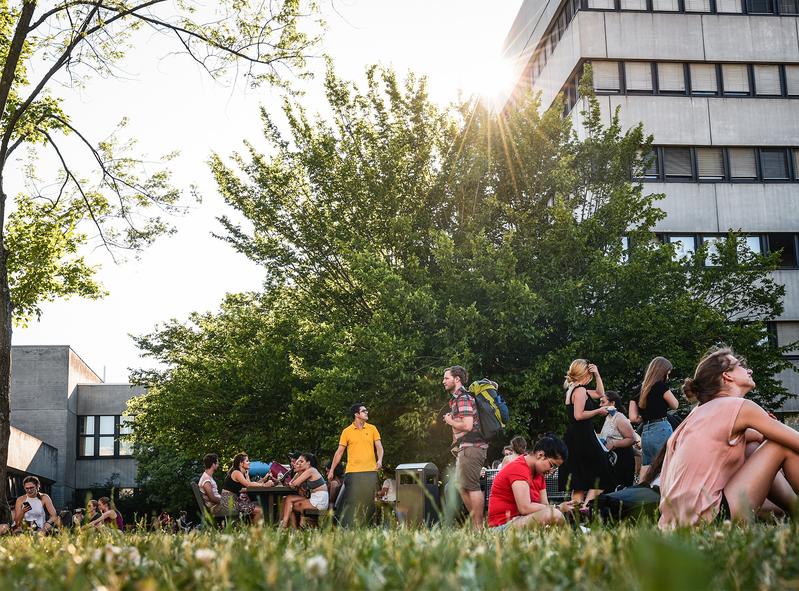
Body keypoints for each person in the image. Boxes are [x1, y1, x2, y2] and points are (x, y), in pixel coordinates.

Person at [660, 346, 799, 526]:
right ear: (727, 376)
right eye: (740, 365)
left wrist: (761, 433)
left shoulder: (699, 415)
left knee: (750, 449)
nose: (749, 370)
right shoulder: (738, 406)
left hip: (680, 522)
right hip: (711, 519)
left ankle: (793, 510)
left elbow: (751, 438)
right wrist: (770, 431)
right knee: (779, 445)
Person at [487, 434, 576, 530]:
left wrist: (559, 508)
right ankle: (570, 534)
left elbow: (545, 505)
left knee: (553, 516)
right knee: (554, 514)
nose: (552, 470)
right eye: (552, 465)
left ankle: (572, 531)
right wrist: (558, 508)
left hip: (521, 521)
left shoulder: (539, 474)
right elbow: (525, 507)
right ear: (540, 455)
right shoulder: (519, 468)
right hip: (502, 526)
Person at [558, 359, 615, 506]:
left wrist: (597, 375)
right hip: (583, 436)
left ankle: (575, 514)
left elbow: (600, 393)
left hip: (574, 437)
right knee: (601, 474)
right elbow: (578, 415)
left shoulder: (573, 389)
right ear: (586, 374)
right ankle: (585, 508)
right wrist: (598, 411)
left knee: (579, 479)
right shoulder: (581, 390)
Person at [442, 365, 487, 527]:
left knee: (472, 487)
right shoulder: (456, 399)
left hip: (472, 446)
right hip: (465, 447)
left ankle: (478, 527)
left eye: (446, 378)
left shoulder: (463, 398)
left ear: (457, 379)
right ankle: (475, 524)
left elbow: (467, 425)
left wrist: (449, 421)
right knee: (461, 487)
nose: (443, 381)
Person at [328, 403, 384, 527]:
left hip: (370, 471)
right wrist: (331, 470)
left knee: (368, 502)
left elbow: (379, 447)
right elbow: (339, 452)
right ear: (356, 414)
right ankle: (345, 526)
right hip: (352, 472)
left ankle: (366, 527)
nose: (367, 412)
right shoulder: (347, 431)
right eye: (364, 411)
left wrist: (379, 460)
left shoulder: (372, 428)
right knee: (351, 500)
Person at [629, 356, 679, 480]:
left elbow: (633, 418)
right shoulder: (661, 387)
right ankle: (664, 495)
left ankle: (641, 494)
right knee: (665, 463)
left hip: (646, 431)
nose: (668, 375)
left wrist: (646, 416)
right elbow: (675, 405)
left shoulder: (636, 390)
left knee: (646, 465)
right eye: (667, 373)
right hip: (661, 428)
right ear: (663, 371)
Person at [280, 453, 329, 528]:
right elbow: (294, 486)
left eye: (301, 462)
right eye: (298, 462)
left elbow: (294, 484)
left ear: (308, 463)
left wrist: (298, 470)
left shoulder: (311, 471)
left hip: (319, 500)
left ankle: (284, 526)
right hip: (315, 498)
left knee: (289, 501)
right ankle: (290, 527)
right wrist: (298, 471)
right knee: (287, 500)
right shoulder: (308, 471)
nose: (299, 464)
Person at [599, 391, 636, 488]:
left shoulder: (619, 417)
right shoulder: (608, 417)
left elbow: (632, 439)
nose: (600, 405)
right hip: (613, 459)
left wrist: (614, 443)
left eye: (603, 402)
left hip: (623, 459)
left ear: (612, 403)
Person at [221, 452, 267, 523]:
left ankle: (252, 530)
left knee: (257, 504)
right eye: (247, 461)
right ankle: (255, 532)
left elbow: (249, 486)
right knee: (259, 510)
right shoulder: (237, 472)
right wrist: (264, 485)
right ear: (241, 463)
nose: (249, 462)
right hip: (229, 502)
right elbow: (248, 484)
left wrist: (247, 475)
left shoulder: (240, 473)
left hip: (232, 500)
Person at [199, 453, 238, 518]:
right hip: (214, 508)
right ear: (213, 464)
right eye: (217, 463)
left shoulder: (208, 477)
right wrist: (225, 501)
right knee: (239, 506)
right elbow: (212, 498)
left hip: (217, 505)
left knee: (238, 502)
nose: (218, 464)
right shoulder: (206, 480)